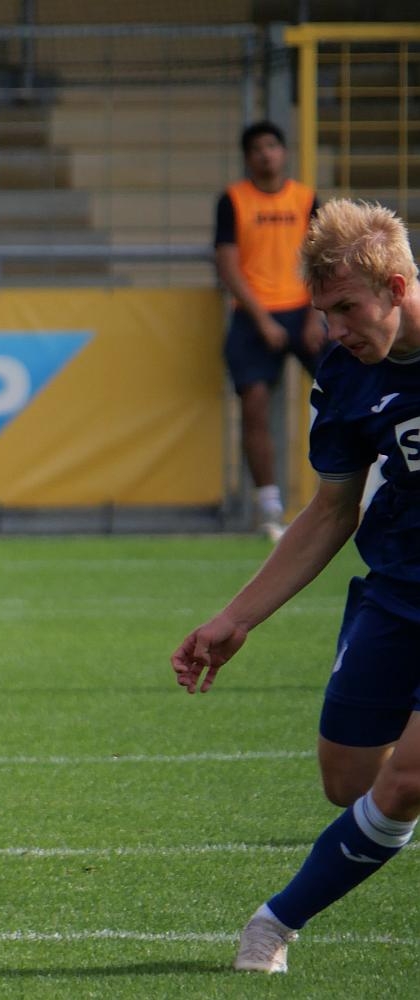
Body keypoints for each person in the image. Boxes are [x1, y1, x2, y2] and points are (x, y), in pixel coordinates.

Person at [172, 198, 420, 975]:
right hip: (398, 590)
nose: (333, 330)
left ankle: (273, 925)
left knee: (405, 783)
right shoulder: (345, 374)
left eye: (347, 309)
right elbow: (331, 510)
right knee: (349, 781)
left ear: (396, 286)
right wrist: (236, 618)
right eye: (323, 312)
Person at [214, 120, 328, 541]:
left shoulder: (305, 198)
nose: (266, 154)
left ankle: (365, 487)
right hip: (253, 313)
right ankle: (269, 508)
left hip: (303, 310)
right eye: (258, 148)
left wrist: (315, 315)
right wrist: (262, 318)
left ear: (284, 152)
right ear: (248, 157)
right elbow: (228, 264)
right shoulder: (233, 200)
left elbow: (321, 258)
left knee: (347, 388)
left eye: (272, 146)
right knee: (254, 402)